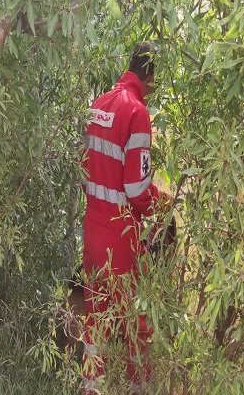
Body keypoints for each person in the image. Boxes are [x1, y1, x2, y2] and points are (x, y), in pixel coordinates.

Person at [81, 42, 169, 395]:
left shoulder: (98, 104)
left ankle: (91, 388)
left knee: (96, 321)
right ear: (148, 75)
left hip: (92, 230)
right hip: (120, 237)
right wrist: (163, 206)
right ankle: (139, 388)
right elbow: (136, 188)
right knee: (138, 322)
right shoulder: (137, 112)